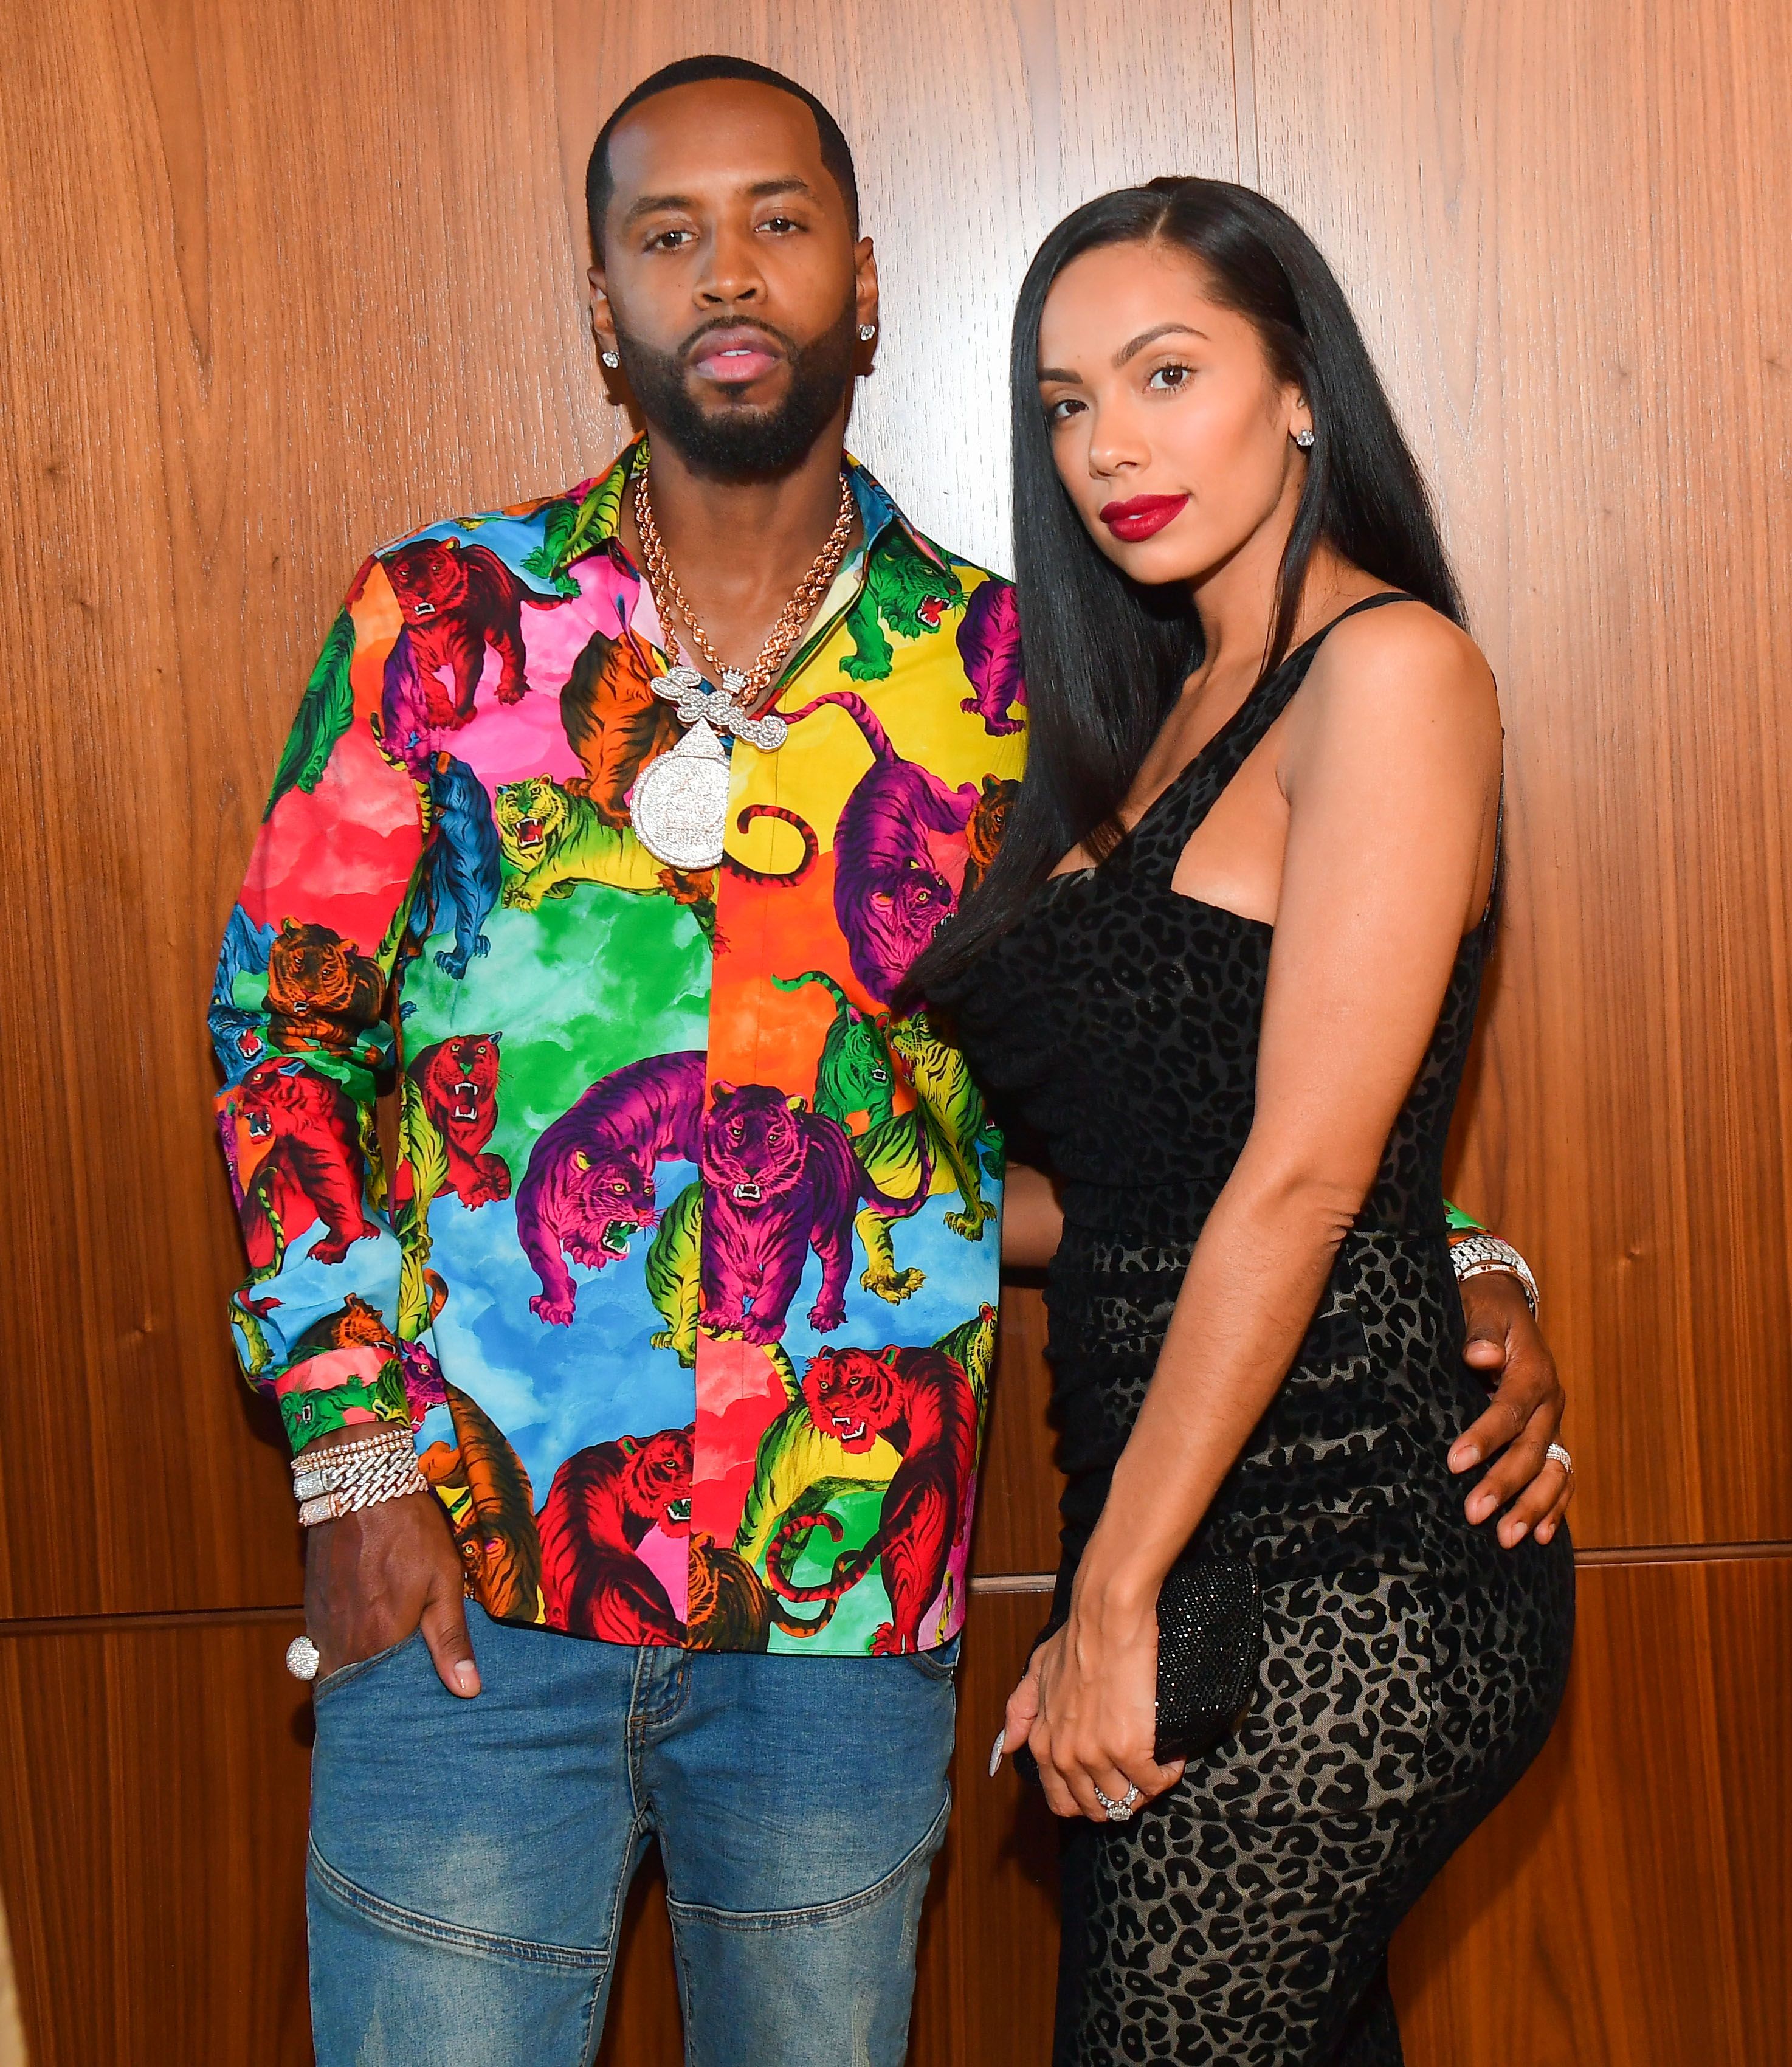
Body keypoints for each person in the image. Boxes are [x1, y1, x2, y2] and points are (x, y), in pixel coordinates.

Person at [208, 57, 1570, 2067]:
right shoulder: (439, 624)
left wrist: (1455, 1256)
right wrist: (347, 1459)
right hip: (465, 1577)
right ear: (602, 307)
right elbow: (285, 1032)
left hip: (840, 1599)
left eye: (778, 222)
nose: (725, 272)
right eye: (667, 235)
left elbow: (1193, 1061)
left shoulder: (1028, 685)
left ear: (863, 287)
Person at [917, 179, 1576, 2065]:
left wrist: (1110, 1601)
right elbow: (1143, 1189)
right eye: (1064, 404)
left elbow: (1302, 1179)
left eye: (1164, 374)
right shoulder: (1151, 706)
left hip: (1346, 1553)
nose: (1107, 446)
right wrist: (854, 1211)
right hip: (1180, 1523)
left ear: (1300, 391)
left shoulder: (1389, 671)